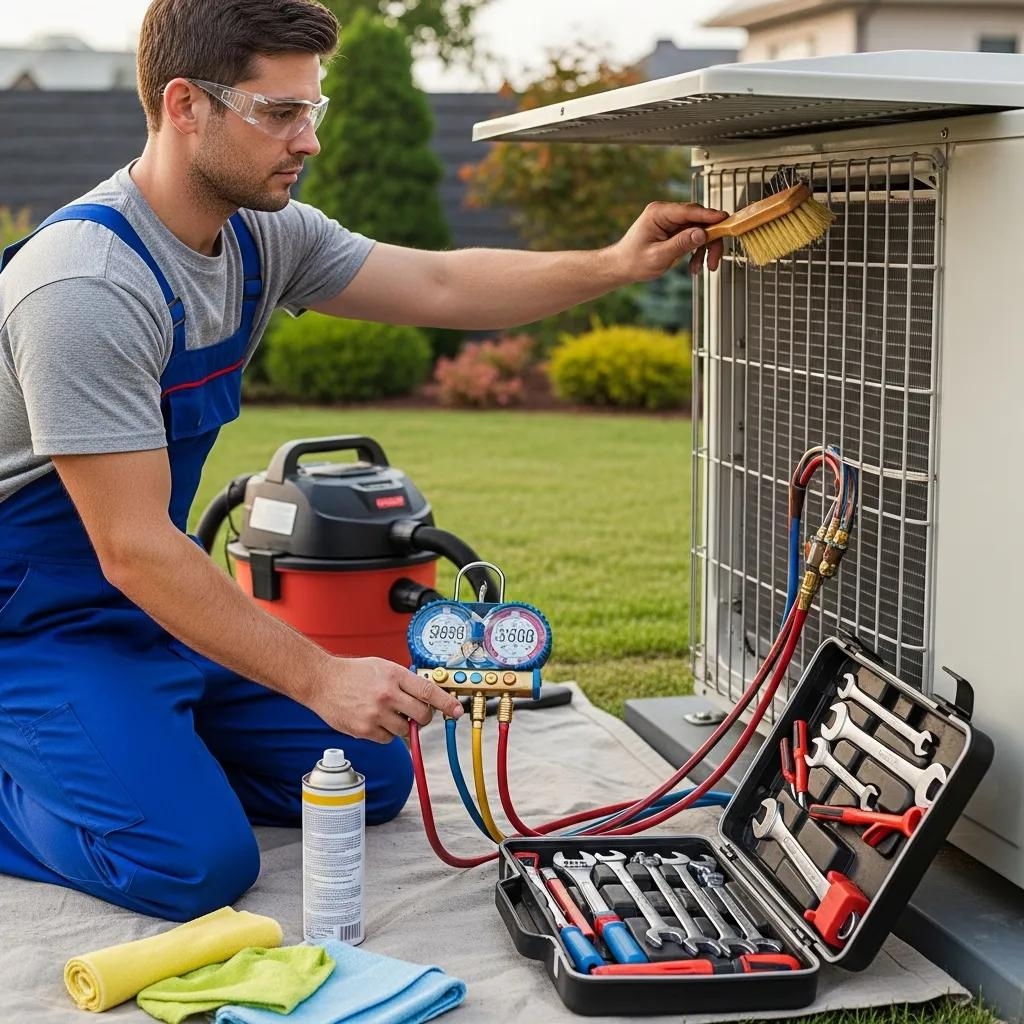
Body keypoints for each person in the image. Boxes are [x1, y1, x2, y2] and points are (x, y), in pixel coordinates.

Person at [0, 0, 725, 922]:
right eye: (279, 112)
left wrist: (616, 264)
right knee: (193, 864)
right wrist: (316, 674)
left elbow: (440, 281)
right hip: (33, 622)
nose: (307, 140)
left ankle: (133, 743)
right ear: (184, 106)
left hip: (146, 608)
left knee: (372, 773)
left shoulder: (264, 237)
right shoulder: (88, 287)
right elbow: (134, 546)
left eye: (315, 109)